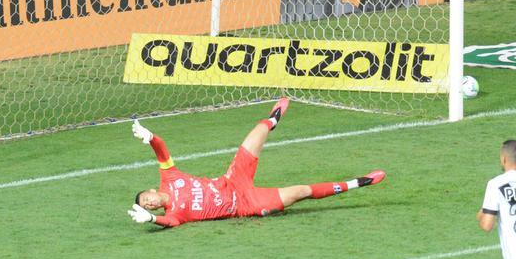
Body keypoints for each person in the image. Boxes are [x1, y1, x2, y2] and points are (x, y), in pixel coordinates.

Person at [127, 97, 384, 228]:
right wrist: (151, 220)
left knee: (257, 133)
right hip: (245, 204)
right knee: (302, 192)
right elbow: (169, 224)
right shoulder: (175, 214)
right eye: (146, 206)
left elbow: (161, 151)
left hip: (233, 179)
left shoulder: (169, 178)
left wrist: (150, 137)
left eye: (145, 198)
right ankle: (360, 182)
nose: (148, 202)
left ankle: (274, 118)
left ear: (151, 190)